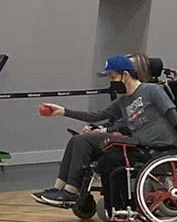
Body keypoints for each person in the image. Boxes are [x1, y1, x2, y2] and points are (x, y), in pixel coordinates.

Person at [33, 53, 147, 209]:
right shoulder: (123, 100)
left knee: (83, 141)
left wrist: (106, 129)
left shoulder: (148, 93)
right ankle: (58, 188)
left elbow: (132, 123)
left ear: (127, 73)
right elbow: (98, 116)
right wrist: (63, 111)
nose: (110, 81)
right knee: (76, 140)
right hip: (121, 136)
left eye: (112, 76)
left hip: (136, 141)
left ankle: (71, 191)